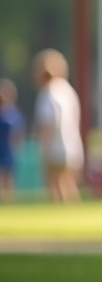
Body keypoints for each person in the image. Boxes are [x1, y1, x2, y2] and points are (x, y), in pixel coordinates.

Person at [32, 49, 84, 203]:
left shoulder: (48, 93)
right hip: (73, 146)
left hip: (54, 148)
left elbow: (47, 123)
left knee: (56, 187)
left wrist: (43, 149)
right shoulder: (68, 90)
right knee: (69, 186)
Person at [0, 78, 24, 202]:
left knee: (7, 178)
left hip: (8, 149)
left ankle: (8, 202)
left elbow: (17, 133)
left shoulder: (13, 113)